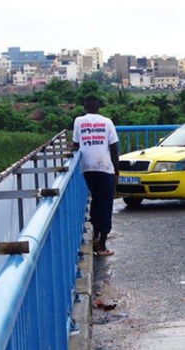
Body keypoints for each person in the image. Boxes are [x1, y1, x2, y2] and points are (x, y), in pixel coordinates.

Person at [71, 94, 119, 256]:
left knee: (96, 200)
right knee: (105, 204)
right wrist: (116, 172)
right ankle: (102, 246)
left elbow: (76, 144)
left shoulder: (79, 121)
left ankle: (96, 236)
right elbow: (114, 148)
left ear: (85, 107)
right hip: (104, 168)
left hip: (87, 168)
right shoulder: (107, 122)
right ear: (99, 107)